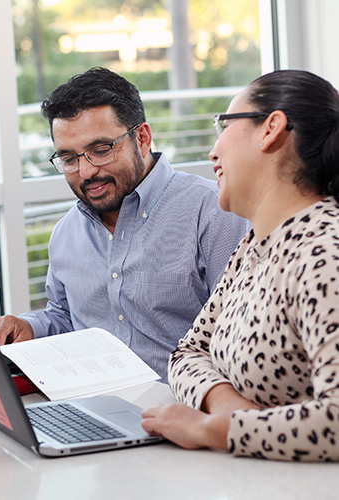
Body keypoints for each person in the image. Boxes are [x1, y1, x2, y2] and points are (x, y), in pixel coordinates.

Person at [0, 67, 249, 381]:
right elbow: (65, 318)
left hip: (181, 411)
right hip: (88, 404)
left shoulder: (213, 213)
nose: (86, 172)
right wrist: (29, 327)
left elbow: (240, 338)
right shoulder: (67, 233)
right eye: (69, 159)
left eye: (100, 151)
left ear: (142, 138)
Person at [141, 69, 339, 462]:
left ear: (271, 129)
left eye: (224, 125)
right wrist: (227, 404)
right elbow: (186, 354)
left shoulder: (325, 254)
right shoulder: (255, 246)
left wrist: (213, 429)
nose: (214, 151)